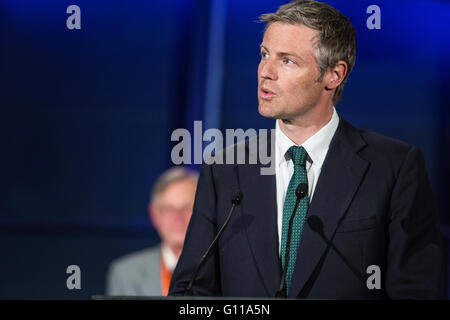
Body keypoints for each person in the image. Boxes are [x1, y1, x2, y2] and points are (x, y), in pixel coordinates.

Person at [169, 0, 444, 299]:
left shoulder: (394, 167)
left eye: (287, 60)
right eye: (264, 55)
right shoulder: (224, 169)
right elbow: (192, 292)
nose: (266, 71)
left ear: (333, 75)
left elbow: (417, 290)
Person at [106, 166, 198, 296]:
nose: (178, 217)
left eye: (187, 207)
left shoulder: (222, 273)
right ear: (154, 214)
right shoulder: (125, 273)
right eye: (169, 208)